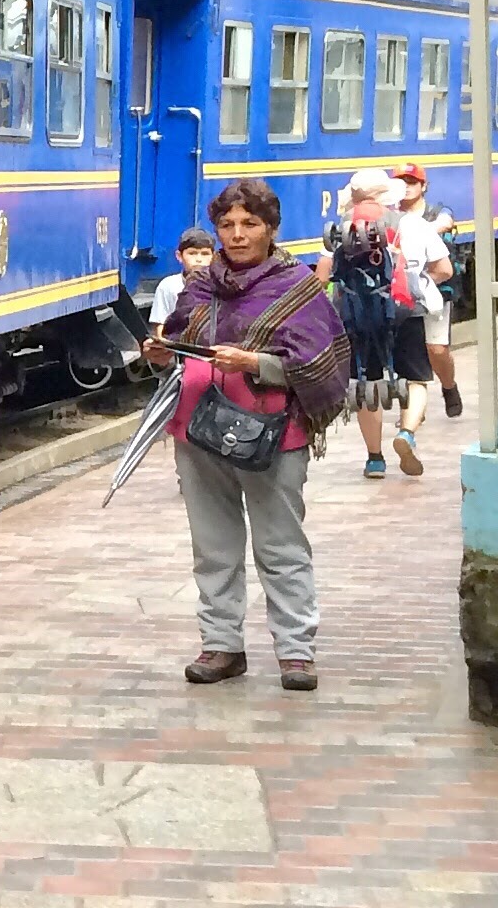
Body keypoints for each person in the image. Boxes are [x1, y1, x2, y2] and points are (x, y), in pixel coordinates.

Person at [145, 177, 350, 692]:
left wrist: (254, 362)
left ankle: (296, 652)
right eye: (227, 224)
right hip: (197, 428)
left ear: (270, 229)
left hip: (272, 434)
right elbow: (180, 341)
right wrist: (162, 353)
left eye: (249, 224)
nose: (237, 234)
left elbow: (321, 364)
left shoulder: (297, 287)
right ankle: (221, 646)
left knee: (281, 546)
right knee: (213, 546)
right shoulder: (200, 285)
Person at [323, 168, 422, 476]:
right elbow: (439, 267)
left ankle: (375, 458)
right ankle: (406, 433)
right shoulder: (407, 223)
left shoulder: (340, 229)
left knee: (366, 382)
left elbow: (324, 274)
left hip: (356, 314)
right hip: (402, 310)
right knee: (416, 379)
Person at [390, 163, 462, 425]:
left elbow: (445, 222)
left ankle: (449, 386)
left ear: (424, 186)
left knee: (436, 349)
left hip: (434, 293)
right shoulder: (389, 215)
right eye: (401, 182)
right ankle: (411, 414)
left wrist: (418, 232)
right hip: (402, 297)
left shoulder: (437, 213)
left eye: (412, 181)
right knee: (407, 355)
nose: (406, 187)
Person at [150, 230, 216, 333]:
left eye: (205, 254)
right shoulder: (168, 286)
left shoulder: (220, 285)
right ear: (179, 256)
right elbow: (160, 326)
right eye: (192, 253)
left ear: (214, 257)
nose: (199, 259)